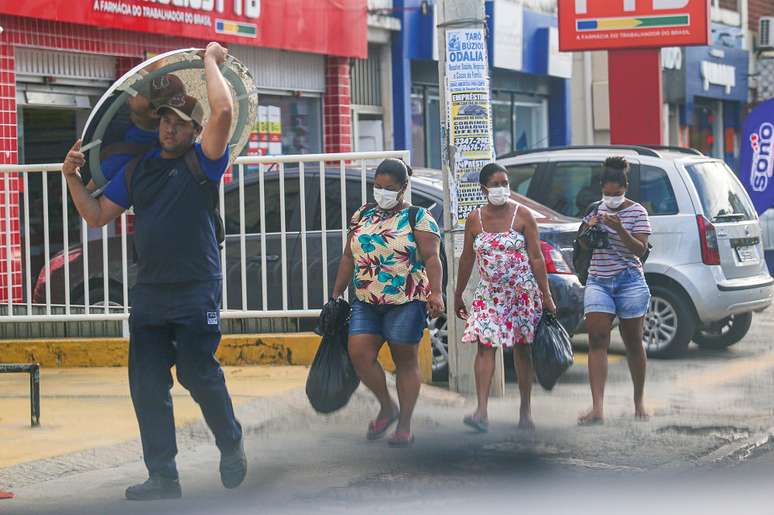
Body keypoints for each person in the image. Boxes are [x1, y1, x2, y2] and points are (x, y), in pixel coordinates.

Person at [61, 42, 246, 500]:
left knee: (196, 372)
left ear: (193, 130)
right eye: (164, 120)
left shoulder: (204, 161)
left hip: (196, 286)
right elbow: (97, 215)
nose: (168, 128)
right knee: (146, 384)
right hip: (151, 291)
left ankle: (230, 441)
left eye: (178, 122)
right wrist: (70, 178)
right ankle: (163, 476)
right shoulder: (139, 170)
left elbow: (223, 111)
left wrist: (210, 62)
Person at [331, 158, 444, 448]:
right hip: (366, 299)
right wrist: (335, 294)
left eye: (389, 188)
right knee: (359, 354)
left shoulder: (418, 217)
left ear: (403, 188)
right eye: (377, 187)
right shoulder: (362, 215)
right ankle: (387, 406)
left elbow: (432, 259)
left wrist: (436, 293)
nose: (382, 193)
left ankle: (404, 425)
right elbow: (348, 257)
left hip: (406, 299)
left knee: (404, 360)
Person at [454, 163, 556, 432]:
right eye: (496, 184)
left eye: (505, 183)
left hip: (521, 293)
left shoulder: (523, 216)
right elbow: (466, 258)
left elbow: (536, 258)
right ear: (484, 188)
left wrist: (546, 295)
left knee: (522, 349)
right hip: (489, 293)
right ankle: (481, 412)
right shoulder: (474, 219)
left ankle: (525, 412)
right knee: (485, 346)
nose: (501, 189)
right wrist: (458, 292)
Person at [577, 157, 652, 425]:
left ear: (626, 188)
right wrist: (590, 228)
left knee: (633, 342)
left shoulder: (637, 213)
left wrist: (619, 228)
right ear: (601, 188)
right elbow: (585, 246)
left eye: (617, 194)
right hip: (598, 279)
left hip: (629, 280)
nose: (611, 199)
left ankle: (639, 401)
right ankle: (597, 407)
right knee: (597, 339)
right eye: (607, 194)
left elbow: (639, 250)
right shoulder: (595, 210)